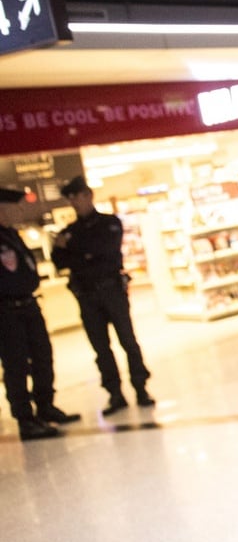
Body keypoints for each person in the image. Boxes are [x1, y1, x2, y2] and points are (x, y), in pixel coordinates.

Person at [52, 176, 152, 416]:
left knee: (128, 341)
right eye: (71, 199)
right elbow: (59, 261)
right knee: (101, 348)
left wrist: (75, 250)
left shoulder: (109, 223)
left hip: (112, 291)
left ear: (88, 196)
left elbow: (106, 251)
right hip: (86, 295)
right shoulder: (69, 231)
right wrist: (82, 254)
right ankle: (115, 394)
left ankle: (140, 388)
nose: (74, 203)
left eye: (77, 197)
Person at [0, 188, 79, 441]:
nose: (21, 212)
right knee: (16, 366)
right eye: (17, 207)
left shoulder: (12, 234)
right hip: (7, 312)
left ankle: (45, 406)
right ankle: (25, 418)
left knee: (43, 356)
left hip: (29, 306)